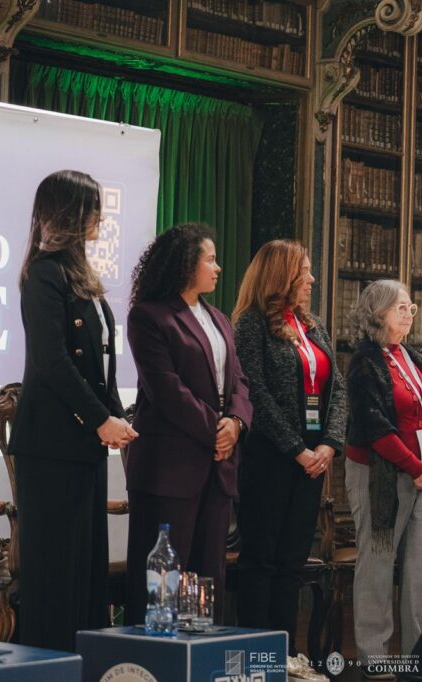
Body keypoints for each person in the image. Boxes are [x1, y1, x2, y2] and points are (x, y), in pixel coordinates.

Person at [10, 170, 138, 651]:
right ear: (68, 212)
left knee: (86, 567)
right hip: (51, 445)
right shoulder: (44, 273)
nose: (99, 217)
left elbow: (100, 362)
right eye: (92, 207)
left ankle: (84, 663)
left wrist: (118, 416)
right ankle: (51, 667)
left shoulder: (80, 273)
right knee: (56, 570)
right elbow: (53, 362)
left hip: (82, 443)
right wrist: (100, 419)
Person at [124, 223, 252, 625]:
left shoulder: (219, 319)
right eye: (210, 260)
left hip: (216, 467)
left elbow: (239, 381)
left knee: (206, 580)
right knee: (162, 582)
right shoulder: (149, 317)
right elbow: (167, 390)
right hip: (169, 468)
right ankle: (151, 655)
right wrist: (216, 430)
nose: (218, 267)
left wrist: (236, 423)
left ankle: (200, 654)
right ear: (185, 264)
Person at [232, 240, 345, 682]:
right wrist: (296, 448)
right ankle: (256, 659)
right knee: (261, 561)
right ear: (281, 275)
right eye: (305, 272)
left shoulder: (312, 326)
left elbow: (338, 390)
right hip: (271, 458)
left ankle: (285, 654)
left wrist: (329, 444)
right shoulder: (251, 324)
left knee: (292, 562)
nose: (312, 280)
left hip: (314, 460)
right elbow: (254, 394)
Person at [344, 279, 422, 681]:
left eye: (411, 307)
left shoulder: (412, 356)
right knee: (377, 565)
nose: (409, 314)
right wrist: (416, 468)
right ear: (378, 314)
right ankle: (374, 657)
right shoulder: (364, 362)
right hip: (382, 477)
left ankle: (417, 657)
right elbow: (375, 428)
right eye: (400, 308)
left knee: (421, 570)